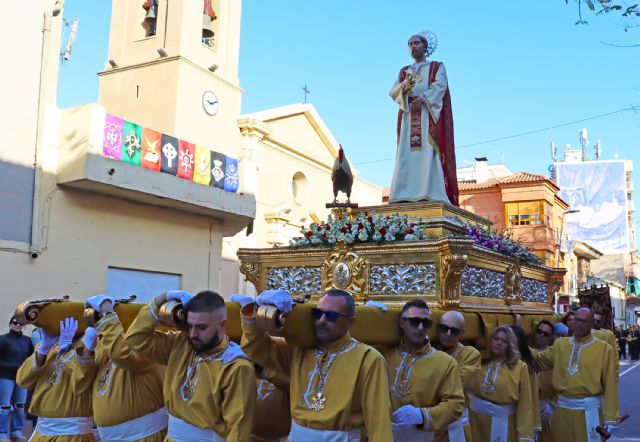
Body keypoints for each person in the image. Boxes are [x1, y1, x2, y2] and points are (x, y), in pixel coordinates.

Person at [241, 289, 393, 441]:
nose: (322, 320)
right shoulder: (298, 350)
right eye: (318, 313)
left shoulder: (369, 358)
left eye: (331, 316)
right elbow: (255, 348)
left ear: (350, 322)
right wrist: (255, 309)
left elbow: (378, 419)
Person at [125, 290, 256, 441]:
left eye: (201, 327)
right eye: (190, 326)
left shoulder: (236, 366)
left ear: (223, 324)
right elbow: (135, 339)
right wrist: (162, 298)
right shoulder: (180, 344)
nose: (193, 333)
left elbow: (238, 432)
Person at [72, 294, 167, 441]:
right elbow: (80, 387)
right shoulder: (103, 346)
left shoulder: (147, 343)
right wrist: (87, 351)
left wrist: (108, 315)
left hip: (144, 437)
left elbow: (124, 354)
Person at [371, 300, 465, 441]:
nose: (421, 327)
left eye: (426, 323)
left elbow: (455, 405)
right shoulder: (383, 352)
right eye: (414, 321)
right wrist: (369, 315)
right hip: (383, 434)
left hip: (422, 436)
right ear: (402, 322)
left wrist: (422, 415)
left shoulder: (445, 362)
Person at [389, 31, 458, 205]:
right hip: (409, 114)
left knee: (428, 151)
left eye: (417, 43)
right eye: (410, 44)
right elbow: (393, 91)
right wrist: (405, 86)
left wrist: (424, 98)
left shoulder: (436, 66)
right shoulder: (405, 71)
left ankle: (428, 191)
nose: (413, 46)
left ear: (425, 47)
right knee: (406, 153)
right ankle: (402, 193)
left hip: (428, 114)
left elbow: (440, 85)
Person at [533, 308, 619, 440]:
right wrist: (519, 345)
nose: (579, 324)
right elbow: (539, 360)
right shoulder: (560, 345)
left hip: (589, 412)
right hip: (561, 412)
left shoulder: (604, 349)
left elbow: (611, 385)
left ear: (591, 324)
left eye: (584, 321)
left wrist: (611, 418)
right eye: (577, 320)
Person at [16, 318, 95, 441]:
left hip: (73, 435)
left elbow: (82, 381)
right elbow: (22, 380)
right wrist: (42, 350)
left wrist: (66, 350)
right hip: (42, 433)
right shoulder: (50, 345)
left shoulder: (88, 346)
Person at [467, 326, 534, 442]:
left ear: (510, 346)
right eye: (496, 339)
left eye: (504, 341)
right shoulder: (478, 361)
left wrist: (524, 434)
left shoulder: (520, 367)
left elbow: (525, 404)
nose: (499, 343)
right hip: (475, 422)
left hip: (504, 424)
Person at [433, 310, 481, 441]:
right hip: (428, 423)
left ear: (461, 334)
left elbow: (455, 384)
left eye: (453, 331)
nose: (448, 334)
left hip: (454, 426)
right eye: (444, 329)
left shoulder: (470, 354)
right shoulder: (428, 350)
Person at [0, 317, 33, 442]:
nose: (18, 325)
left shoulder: (27, 341)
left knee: (20, 406)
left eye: (21, 323)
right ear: (10, 324)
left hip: (22, 378)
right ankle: (2, 432)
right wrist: (14, 366)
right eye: (15, 322)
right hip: (5, 377)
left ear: (24, 326)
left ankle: (16, 431)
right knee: (4, 407)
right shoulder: (3, 339)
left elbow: (31, 359)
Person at [510, 325, 541, 439]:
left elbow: (532, 393)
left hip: (524, 409)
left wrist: (534, 423)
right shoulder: (500, 358)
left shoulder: (530, 358)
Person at [532, 320, 556, 442]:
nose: (541, 335)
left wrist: (552, 406)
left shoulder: (555, 356)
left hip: (546, 410)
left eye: (546, 334)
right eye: (539, 331)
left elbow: (563, 385)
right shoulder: (525, 354)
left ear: (551, 338)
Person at [592, 311, 619, 379]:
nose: (595, 323)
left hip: (603, 368)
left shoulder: (608, 334)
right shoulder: (583, 333)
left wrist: (615, 373)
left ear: (601, 322)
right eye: (594, 320)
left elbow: (614, 355)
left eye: (598, 321)